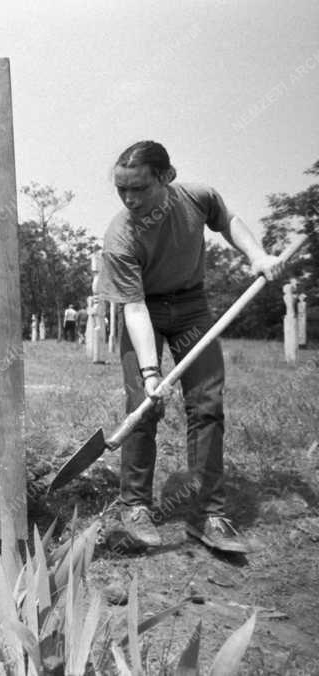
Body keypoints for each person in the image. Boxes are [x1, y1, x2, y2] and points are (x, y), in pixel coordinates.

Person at [99, 140, 284, 554]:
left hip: (191, 307)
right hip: (144, 309)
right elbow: (133, 308)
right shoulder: (120, 235)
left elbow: (228, 221)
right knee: (143, 406)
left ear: (168, 177)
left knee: (206, 405)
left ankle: (207, 515)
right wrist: (151, 375)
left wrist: (257, 255)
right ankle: (135, 506)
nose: (130, 199)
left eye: (139, 189)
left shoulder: (198, 198)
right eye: (121, 190)